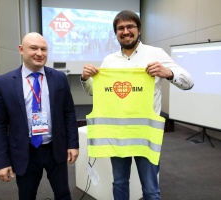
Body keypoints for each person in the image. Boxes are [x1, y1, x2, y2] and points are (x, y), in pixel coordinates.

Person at [80, 10, 194, 200]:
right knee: (119, 183)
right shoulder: (109, 61)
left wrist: (169, 73)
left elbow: (189, 82)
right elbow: (94, 92)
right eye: (120, 28)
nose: (125, 31)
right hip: (118, 135)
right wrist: (85, 78)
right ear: (116, 33)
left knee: (151, 190)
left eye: (130, 26)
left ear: (139, 30)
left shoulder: (156, 54)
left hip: (146, 136)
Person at [0, 32, 79, 200]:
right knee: (27, 196)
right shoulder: (4, 83)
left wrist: (73, 144)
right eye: (34, 48)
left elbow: (69, 113)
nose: (39, 53)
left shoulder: (59, 78)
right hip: (25, 152)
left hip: (55, 148)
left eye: (43, 49)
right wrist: (1, 161)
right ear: (21, 49)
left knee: (63, 194)